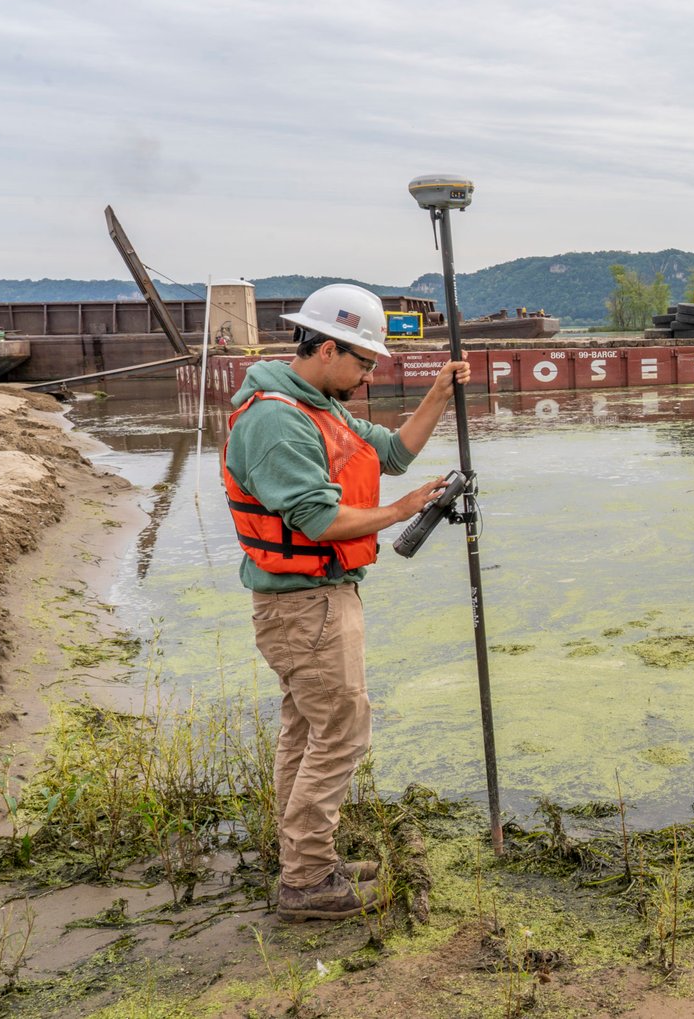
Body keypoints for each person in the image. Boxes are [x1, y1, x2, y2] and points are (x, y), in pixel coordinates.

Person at [221, 283, 470, 921]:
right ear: (326, 347)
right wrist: (403, 509)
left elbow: (391, 452)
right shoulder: (278, 419)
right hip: (305, 606)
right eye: (362, 361)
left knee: (307, 731)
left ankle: (304, 853)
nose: (368, 374)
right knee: (341, 731)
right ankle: (307, 880)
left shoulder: (318, 406)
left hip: (316, 600)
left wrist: (439, 395)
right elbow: (315, 520)